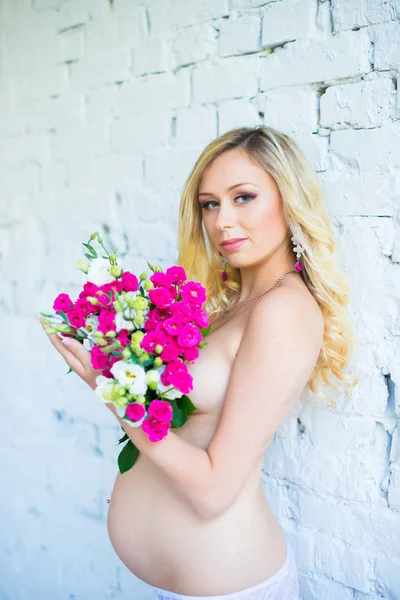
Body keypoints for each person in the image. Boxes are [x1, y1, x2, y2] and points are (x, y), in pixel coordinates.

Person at [41, 126, 358, 600]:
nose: (223, 221)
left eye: (243, 197)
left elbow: (213, 491)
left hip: (231, 589)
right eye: (210, 204)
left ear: (289, 200)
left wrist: (110, 387)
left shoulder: (283, 310)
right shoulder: (227, 306)